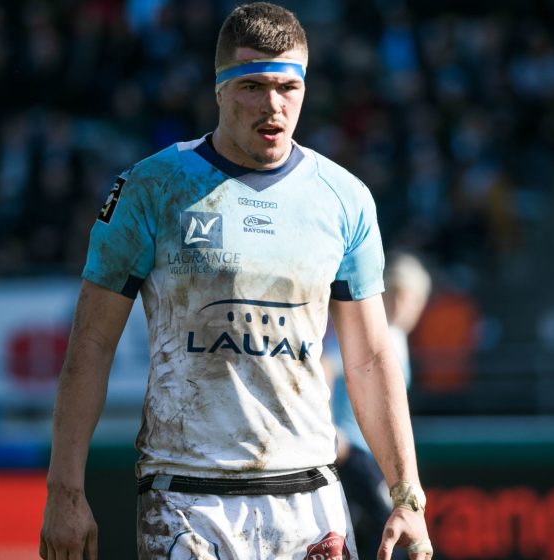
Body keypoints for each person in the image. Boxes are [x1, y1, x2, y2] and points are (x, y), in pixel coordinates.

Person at [39, 3, 432, 559]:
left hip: (310, 499)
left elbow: (369, 358)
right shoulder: (151, 188)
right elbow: (91, 345)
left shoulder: (344, 199)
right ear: (218, 89)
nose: (272, 105)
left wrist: (407, 498)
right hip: (187, 500)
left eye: (286, 87)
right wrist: (65, 492)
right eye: (252, 85)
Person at [328, 252, 431, 559]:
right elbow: (325, 366)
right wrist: (326, 425)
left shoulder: (396, 339)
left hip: (372, 456)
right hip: (350, 451)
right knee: (390, 532)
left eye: (411, 297)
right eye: (396, 293)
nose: (403, 304)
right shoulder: (373, 336)